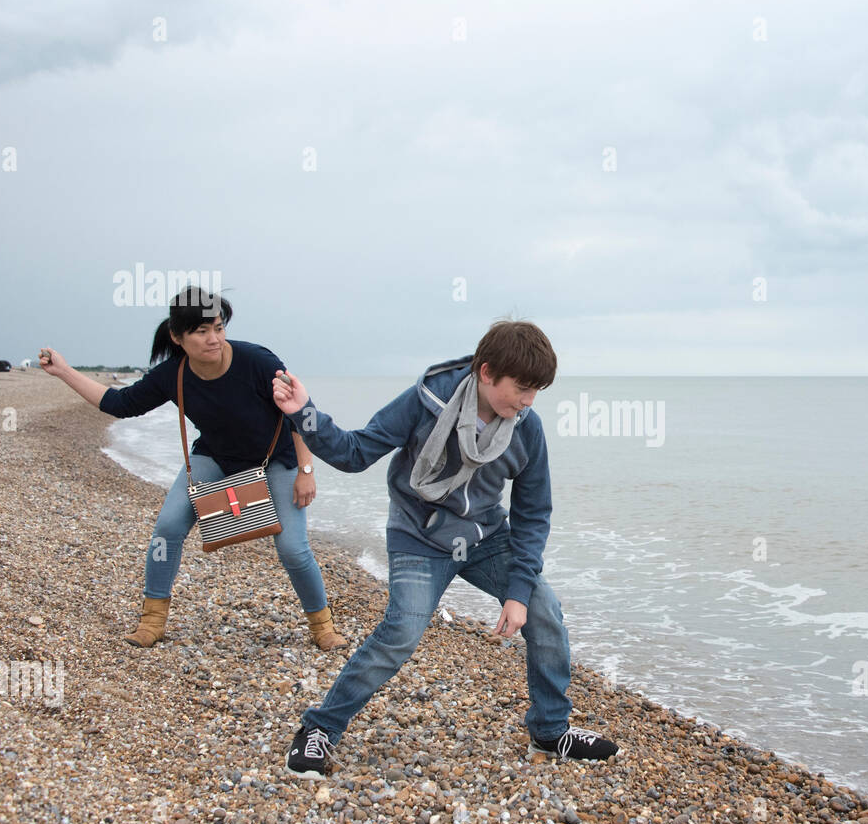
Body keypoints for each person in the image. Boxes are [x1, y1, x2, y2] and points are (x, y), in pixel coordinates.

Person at [274, 320, 617, 777]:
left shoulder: (526, 428)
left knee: (544, 610)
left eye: (538, 391)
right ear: (487, 372)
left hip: (486, 537)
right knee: (401, 632)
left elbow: (534, 513)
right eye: (523, 388)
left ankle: (551, 732)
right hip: (419, 536)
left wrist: (518, 592)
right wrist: (305, 413)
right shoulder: (425, 403)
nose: (530, 401)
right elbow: (355, 453)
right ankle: (320, 728)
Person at [39, 286, 345, 651]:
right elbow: (119, 404)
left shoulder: (257, 361)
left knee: (293, 549)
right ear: (177, 336)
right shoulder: (173, 373)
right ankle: (151, 620)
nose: (214, 339)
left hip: (277, 459)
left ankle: (322, 626)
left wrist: (306, 470)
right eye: (202, 331)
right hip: (214, 456)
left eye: (218, 327)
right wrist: (63, 371)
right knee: (167, 527)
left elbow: (299, 411)